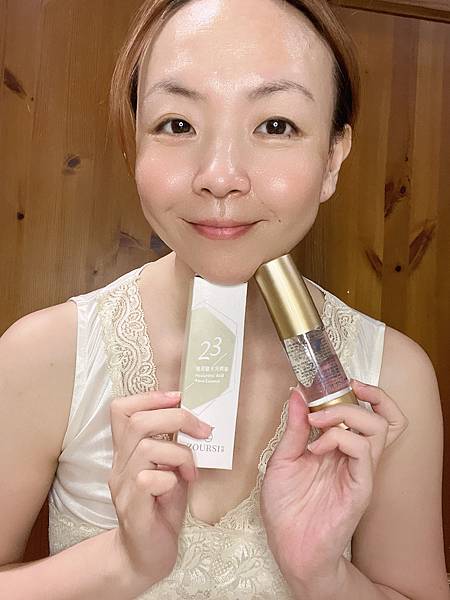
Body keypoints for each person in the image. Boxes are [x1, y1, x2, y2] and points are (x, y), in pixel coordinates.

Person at [0, 0, 448, 598]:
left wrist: (324, 575)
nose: (219, 175)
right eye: (177, 124)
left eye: (275, 126)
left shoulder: (393, 379)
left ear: (333, 157)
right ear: (135, 142)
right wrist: (123, 563)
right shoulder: (44, 356)